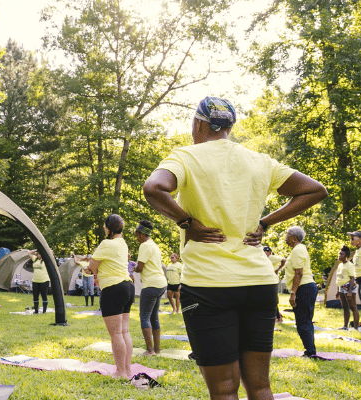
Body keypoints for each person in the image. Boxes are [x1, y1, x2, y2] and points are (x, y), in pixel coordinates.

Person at [143, 96, 327, 400]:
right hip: (259, 283)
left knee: (224, 389)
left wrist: (187, 222)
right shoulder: (260, 160)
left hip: (208, 284)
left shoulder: (186, 156)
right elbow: (314, 190)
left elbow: (154, 188)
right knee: (260, 386)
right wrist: (265, 223)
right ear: (231, 126)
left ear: (199, 123)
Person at [85, 214, 134, 379]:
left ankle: (120, 372)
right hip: (127, 287)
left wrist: (92, 271)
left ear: (108, 228)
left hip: (113, 289)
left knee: (116, 334)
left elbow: (91, 266)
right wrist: (98, 275)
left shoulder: (106, 243)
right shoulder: (123, 243)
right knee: (124, 331)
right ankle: (127, 369)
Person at [283, 226, 318, 358]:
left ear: (294, 238)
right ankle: (310, 350)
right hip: (306, 287)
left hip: (304, 288)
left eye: (287, 235)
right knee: (305, 321)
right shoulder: (298, 249)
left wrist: (293, 293)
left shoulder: (297, 250)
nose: (285, 238)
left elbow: (299, 273)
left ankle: (310, 352)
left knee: (303, 322)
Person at [134, 220, 167, 356]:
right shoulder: (154, 245)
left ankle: (150, 350)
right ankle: (157, 350)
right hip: (161, 284)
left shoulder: (145, 246)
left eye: (137, 235)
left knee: (144, 317)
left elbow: (140, 267)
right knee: (154, 317)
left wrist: (133, 268)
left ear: (142, 234)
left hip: (151, 285)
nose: (136, 238)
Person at [334, 246, 359, 329]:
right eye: (339, 253)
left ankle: (356, 328)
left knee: (353, 307)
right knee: (345, 307)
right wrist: (338, 290)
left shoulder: (350, 265)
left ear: (346, 256)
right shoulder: (340, 265)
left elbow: (352, 278)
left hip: (349, 287)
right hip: (342, 287)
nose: (339, 255)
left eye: (341, 254)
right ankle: (345, 326)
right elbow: (339, 278)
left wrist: (350, 291)